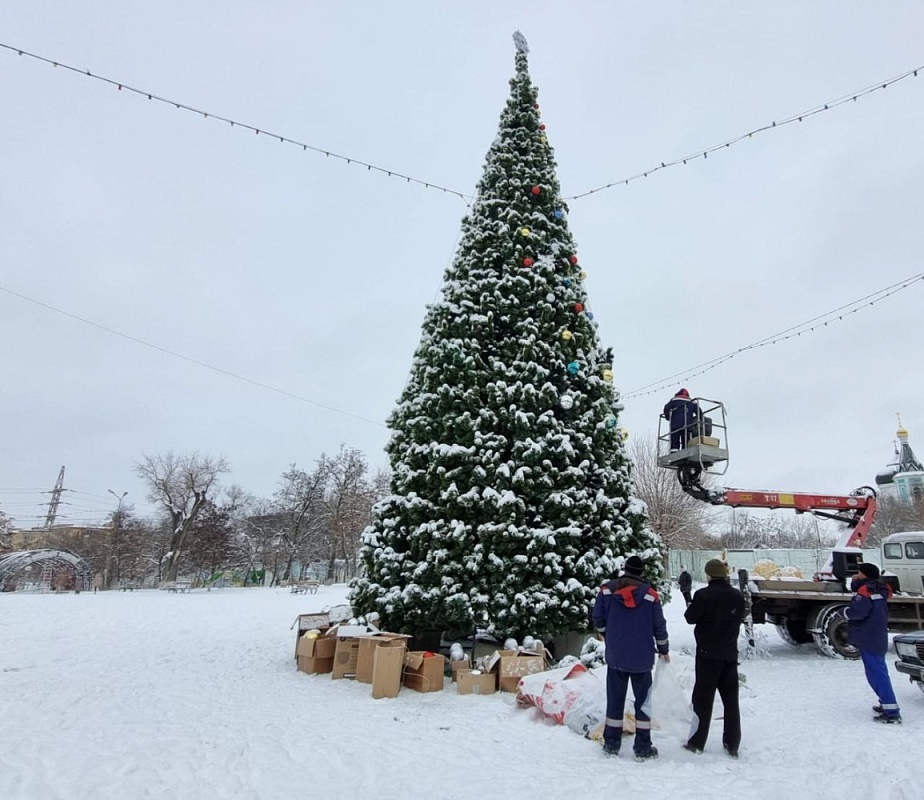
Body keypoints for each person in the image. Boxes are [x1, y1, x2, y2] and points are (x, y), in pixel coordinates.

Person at [592, 555, 670, 761]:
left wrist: (605, 633)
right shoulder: (650, 596)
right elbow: (659, 627)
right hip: (642, 659)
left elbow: (597, 617)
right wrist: (664, 649)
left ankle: (611, 744)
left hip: (616, 656)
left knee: (615, 701)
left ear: (625, 569)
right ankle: (643, 747)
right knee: (643, 703)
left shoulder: (607, 590)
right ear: (641, 572)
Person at [683, 558, 745, 757]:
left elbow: (690, 618)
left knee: (702, 700)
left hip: (707, 655)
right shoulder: (736, 596)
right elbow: (741, 615)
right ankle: (732, 743)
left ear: (709, 575)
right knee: (731, 701)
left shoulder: (703, 595)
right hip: (729, 655)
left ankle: (696, 742)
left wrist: (689, 599)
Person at [845, 562, 901, 724]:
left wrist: (845, 612)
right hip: (877, 636)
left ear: (864, 575)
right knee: (878, 672)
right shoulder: (880, 589)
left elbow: (858, 613)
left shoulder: (865, 590)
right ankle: (886, 704)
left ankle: (892, 713)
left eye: (858, 572)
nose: (856, 575)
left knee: (877, 674)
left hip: (868, 637)